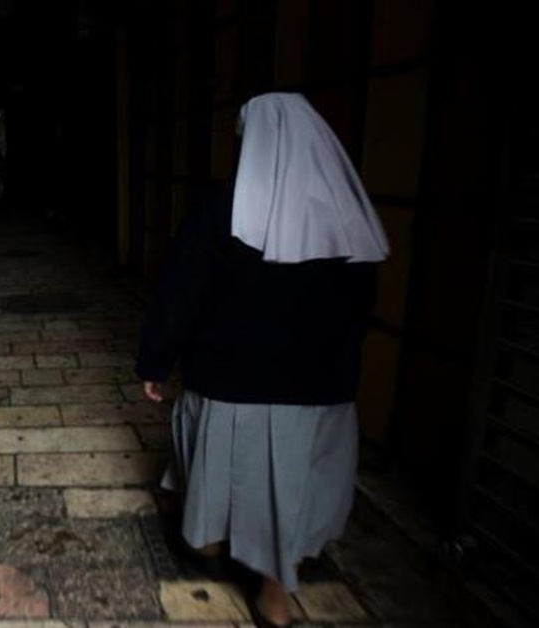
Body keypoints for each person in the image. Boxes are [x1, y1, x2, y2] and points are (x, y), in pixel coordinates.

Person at [135, 93, 389, 627]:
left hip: (234, 380)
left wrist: (156, 361)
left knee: (224, 466)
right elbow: (361, 307)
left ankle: (209, 539)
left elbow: (182, 289)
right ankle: (275, 588)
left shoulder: (224, 206)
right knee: (292, 486)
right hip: (319, 389)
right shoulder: (345, 213)